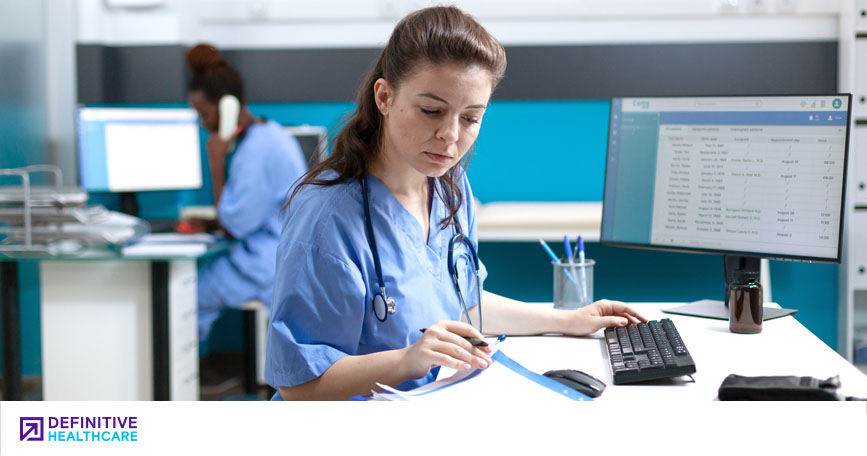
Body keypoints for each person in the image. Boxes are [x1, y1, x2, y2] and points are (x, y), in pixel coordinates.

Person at [266, 6, 645, 400]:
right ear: (384, 96)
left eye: (470, 118)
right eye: (432, 111)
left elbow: (461, 303)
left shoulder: (450, 187)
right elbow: (299, 386)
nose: (450, 135)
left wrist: (566, 320)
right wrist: (407, 361)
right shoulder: (328, 217)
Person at [185, 44, 308, 342]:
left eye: (204, 114)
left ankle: (176, 383)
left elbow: (235, 224)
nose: (203, 124)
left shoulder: (255, 151)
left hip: (266, 264)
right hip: (277, 254)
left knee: (184, 297)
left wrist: (216, 161)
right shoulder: (270, 134)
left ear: (227, 106)